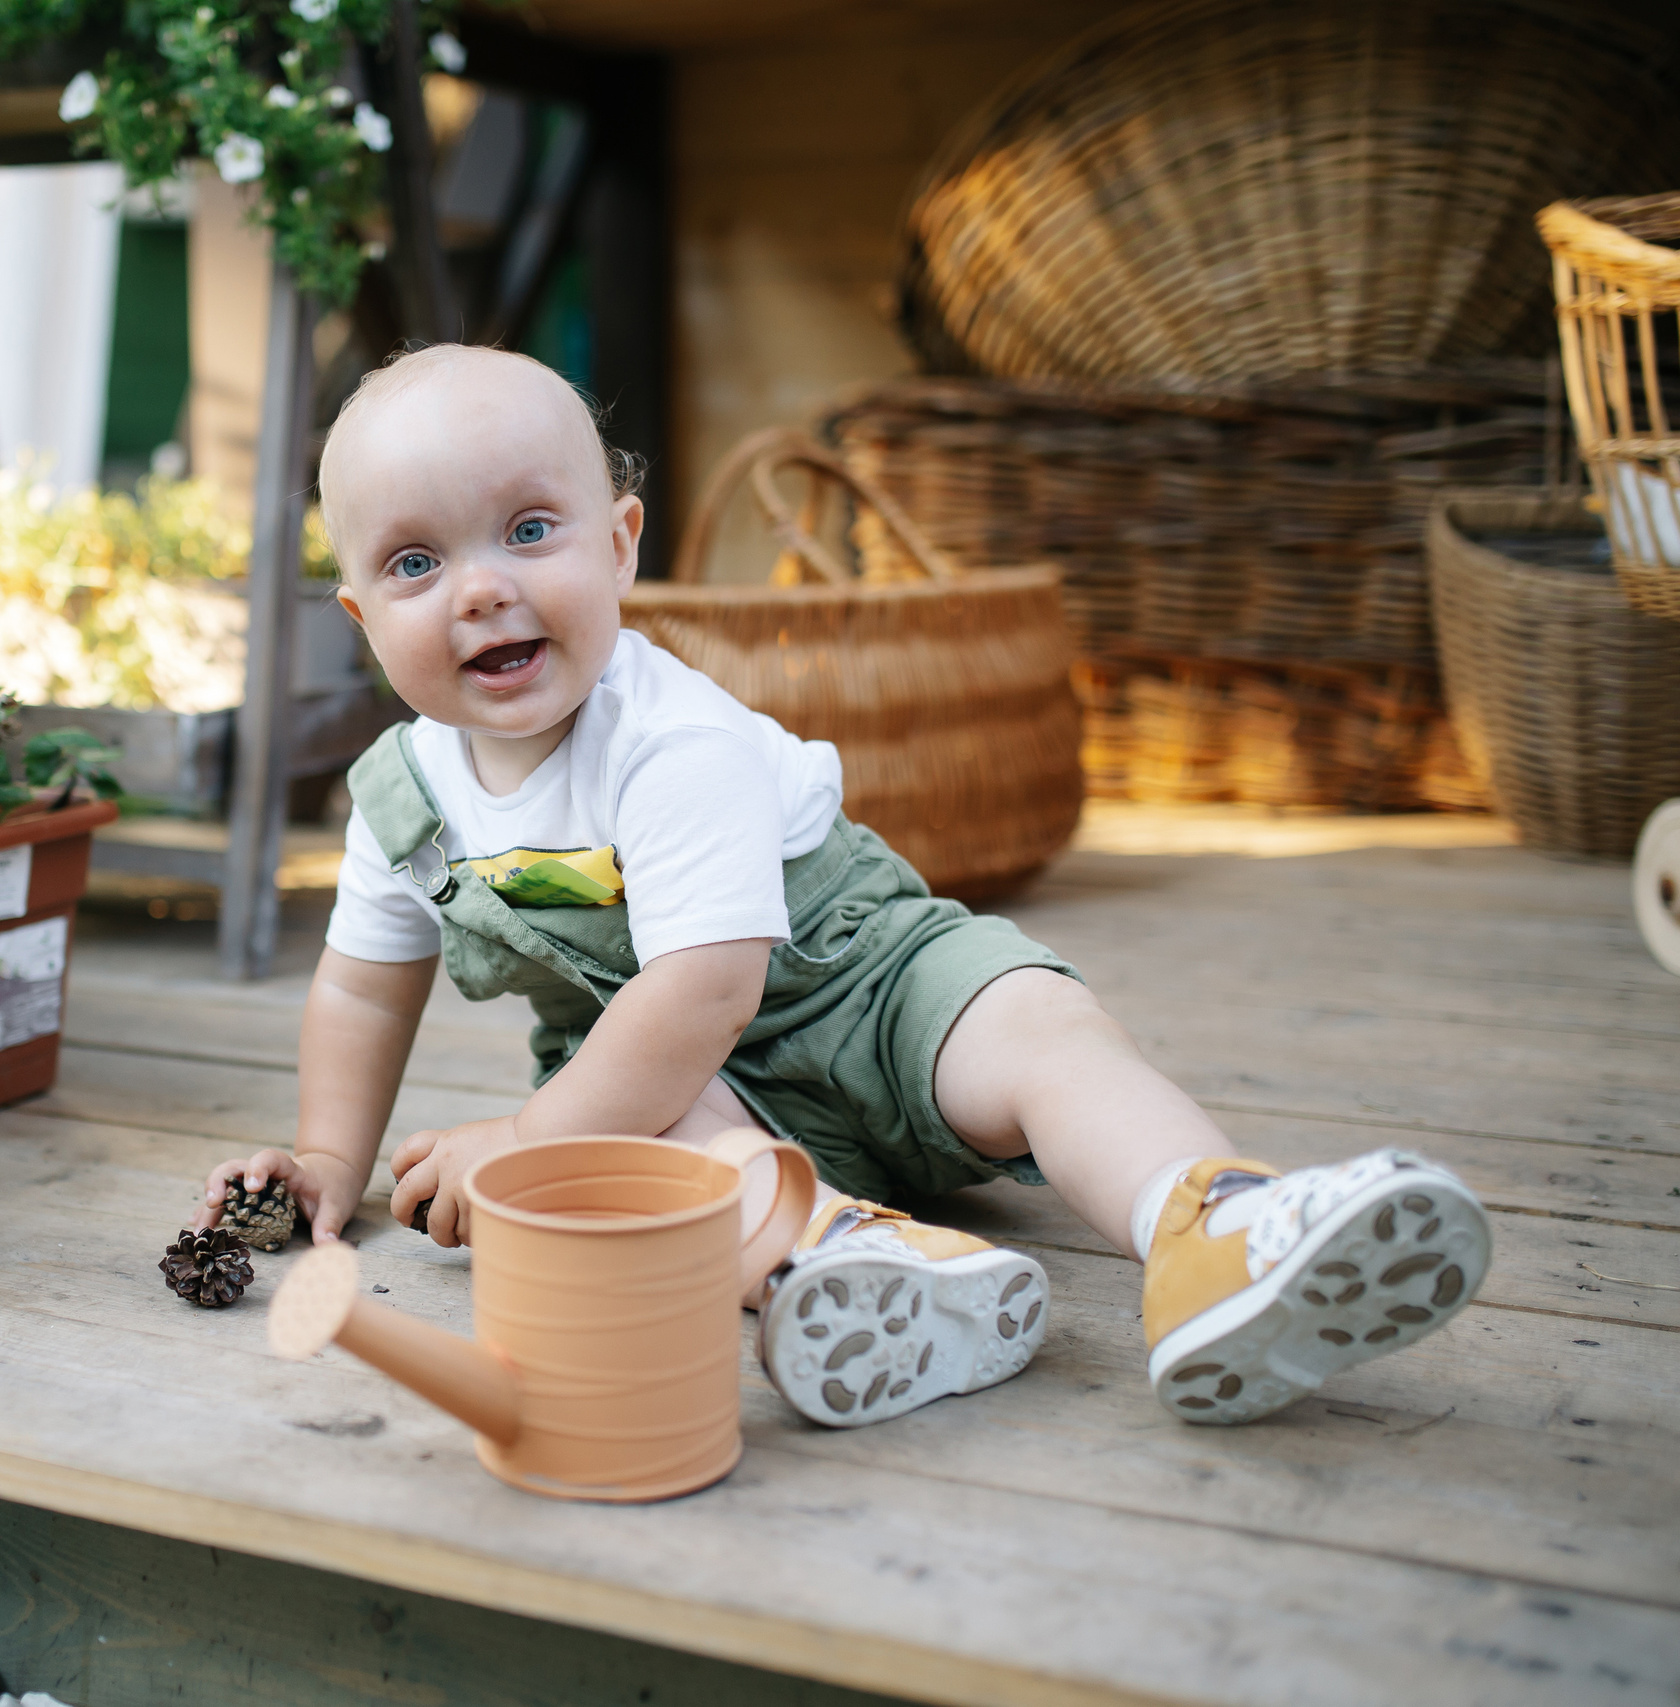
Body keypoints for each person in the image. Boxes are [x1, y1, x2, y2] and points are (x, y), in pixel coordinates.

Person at [194, 345, 1489, 1427]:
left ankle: (1215, 1223)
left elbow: (706, 986)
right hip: (676, 1081)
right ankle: (857, 1264)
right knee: (645, 1163)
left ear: (621, 544)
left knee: (1034, 1025)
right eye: (417, 565)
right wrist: (325, 1161)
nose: (483, 588)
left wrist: (529, 1142)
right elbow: (364, 995)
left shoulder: (670, 737)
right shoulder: (404, 800)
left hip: (867, 985)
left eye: (532, 531)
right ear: (362, 617)